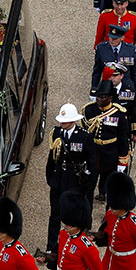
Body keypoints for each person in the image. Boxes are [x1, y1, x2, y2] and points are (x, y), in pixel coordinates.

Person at [43, 103, 96, 254]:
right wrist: (50, 178)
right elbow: (52, 158)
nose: (62, 123)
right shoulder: (56, 133)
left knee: (78, 214)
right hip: (59, 179)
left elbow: (92, 162)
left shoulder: (84, 136)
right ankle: (51, 247)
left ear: (73, 121)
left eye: (65, 121)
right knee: (55, 214)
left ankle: (78, 245)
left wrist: (90, 185)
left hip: (75, 180)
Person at [82, 81, 130, 202]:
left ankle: (103, 193)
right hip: (94, 149)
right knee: (91, 176)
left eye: (102, 97)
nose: (99, 100)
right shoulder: (89, 110)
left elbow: (123, 138)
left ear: (110, 98)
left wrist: (122, 161)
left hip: (110, 151)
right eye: (98, 97)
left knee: (107, 177)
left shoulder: (118, 114)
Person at [94, 0, 136, 71]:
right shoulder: (104, 16)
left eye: (122, 4)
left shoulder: (134, 18)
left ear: (127, 3)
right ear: (113, 3)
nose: (119, 7)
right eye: (116, 4)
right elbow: (99, 39)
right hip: (109, 55)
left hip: (127, 57)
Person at [91, 25, 136, 99]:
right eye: (110, 37)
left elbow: (134, 73)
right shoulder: (101, 49)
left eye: (115, 39)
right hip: (106, 88)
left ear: (122, 38)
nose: (111, 40)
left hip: (126, 89)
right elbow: (97, 72)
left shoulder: (130, 50)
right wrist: (93, 90)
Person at [104, 63, 136, 147]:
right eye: (110, 75)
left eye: (115, 75)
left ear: (121, 76)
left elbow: (134, 112)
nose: (112, 78)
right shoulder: (103, 89)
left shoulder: (129, 91)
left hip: (123, 129)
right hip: (106, 129)